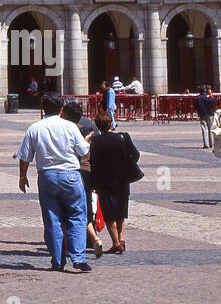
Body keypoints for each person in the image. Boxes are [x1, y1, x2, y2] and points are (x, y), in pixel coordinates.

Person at [16, 93, 92, 272]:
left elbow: (25, 156)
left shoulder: (34, 128)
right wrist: (86, 141)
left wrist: (22, 176)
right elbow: (83, 151)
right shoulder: (70, 127)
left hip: (47, 176)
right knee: (77, 216)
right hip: (70, 175)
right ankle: (79, 258)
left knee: (52, 219)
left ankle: (57, 261)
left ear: (43, 108)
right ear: (62, 109)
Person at [89, 111, 141, 255]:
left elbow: (93, 163)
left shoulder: (95, 141)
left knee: (109, 214)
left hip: (104, 181)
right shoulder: (123, 136)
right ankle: (122, 237)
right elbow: (136, 155)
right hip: (122, 179)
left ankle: (116, 243)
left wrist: (93, 183)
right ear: (111, 123)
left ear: (98, 126)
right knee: (121, 211)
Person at [60, 100, 103, 257]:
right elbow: (97, 147)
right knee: (86, 205)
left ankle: (72, 244)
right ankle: (90, 239)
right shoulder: (90, 124)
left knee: (70, 208)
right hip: (89, 171)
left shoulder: (65, 128)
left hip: (73, 171)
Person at [195, 85, 216, 150]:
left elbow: (196, 106)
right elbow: (213, 104)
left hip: (202, 114)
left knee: (204, 129)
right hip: (210, 114)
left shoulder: (198, 98)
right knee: (210, 129)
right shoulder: (209, 97)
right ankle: (211, 143)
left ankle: (205, 144)